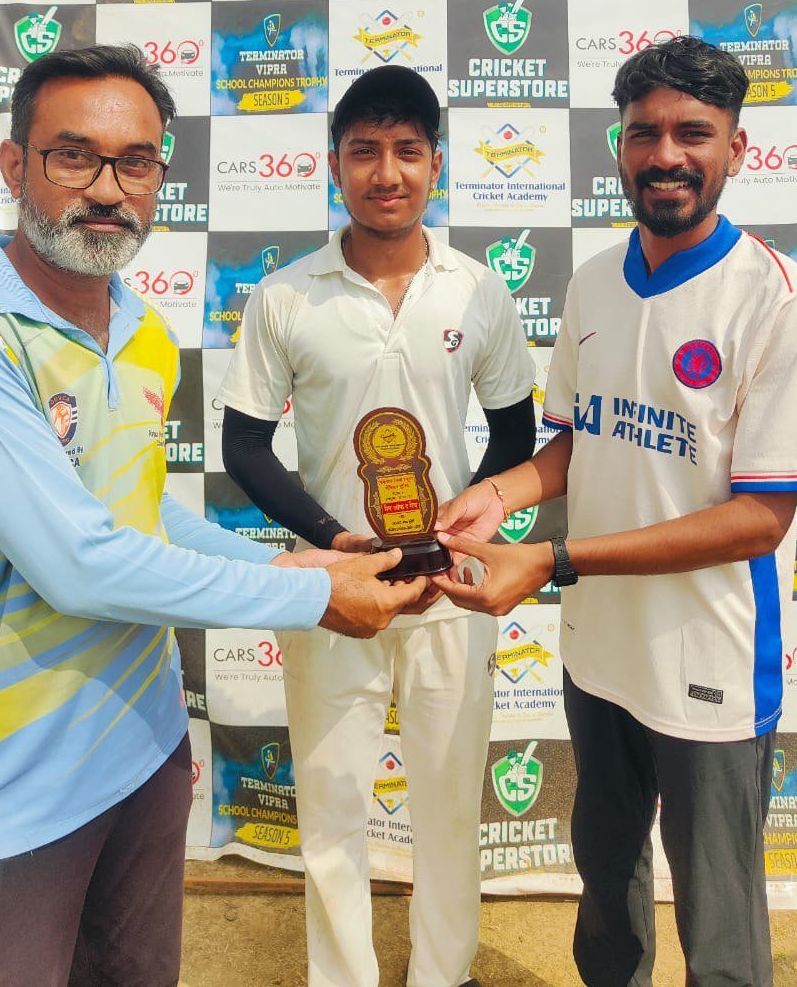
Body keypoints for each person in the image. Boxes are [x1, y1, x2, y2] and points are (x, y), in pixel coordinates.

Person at [0, 45, 426, 987]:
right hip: (5, 790)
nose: (109, 189)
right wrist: (314, 601)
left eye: (136, 163)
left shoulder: (141, 326)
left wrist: (304, 563)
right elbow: (78, 563)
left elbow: (140, 512)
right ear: (14, 165)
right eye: (74, 156)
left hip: (142, 756)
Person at [431, 36, 797, 987]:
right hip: (600, 649)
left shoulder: (781, 301)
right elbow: (576, 443)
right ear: (617, 147)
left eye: (693, 133)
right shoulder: (593, 282)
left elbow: (760, 522)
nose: (666, 155)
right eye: (644, 133)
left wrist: (553, 560)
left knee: (720, 924)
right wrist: (499, 494)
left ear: (736, 148)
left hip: (709, 661)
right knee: (607, 885)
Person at [219, 64, 536, 987]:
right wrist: (331, 538)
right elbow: (244, 446)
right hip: (334, 589)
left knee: (449, 806)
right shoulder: (286, 294)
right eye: (364, 152)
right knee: (330, 810)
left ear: (436, 163)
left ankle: (445, 974)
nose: (386, 172)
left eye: (407, 151)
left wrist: (470, 523)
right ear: (334, 166)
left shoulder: (477, 290)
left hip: (448, 586)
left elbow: (515, 430)